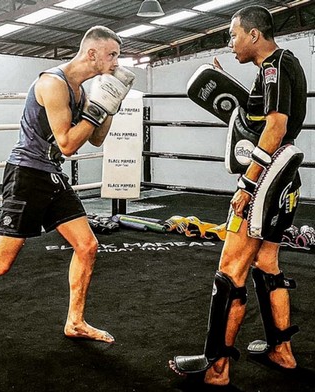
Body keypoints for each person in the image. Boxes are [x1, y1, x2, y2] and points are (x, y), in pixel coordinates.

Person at [0, 25, 135, 364]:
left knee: (87, 245)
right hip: (27, 175)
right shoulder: (53, 83)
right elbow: (67, 143)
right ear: (92, 54)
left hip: (50, 175)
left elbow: (95, 139)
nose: (116, 62)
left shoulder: (81, 91)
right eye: (113, 55)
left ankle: (75, 321)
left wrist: (111, 104)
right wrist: (97, 110)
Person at [169, 5, 307, 386]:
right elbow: (264, 113)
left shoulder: (274, 66)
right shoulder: (280, 68)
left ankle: (217, 368)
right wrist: (226, 81)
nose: (229, 42)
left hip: (265, 180)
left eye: (232, 35)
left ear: (253, 35)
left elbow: (275, 127)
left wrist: (246, 185)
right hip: (286, 182)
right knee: (266, 264)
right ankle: (282, 350)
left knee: (229, 272)